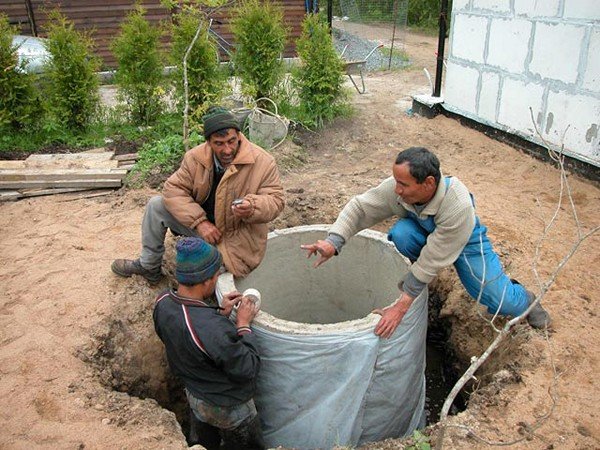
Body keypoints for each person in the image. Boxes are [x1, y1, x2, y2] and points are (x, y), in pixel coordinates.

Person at [301, 147, 551, 338]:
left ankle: (525, 299)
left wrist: (400, 307)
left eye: (404, 184)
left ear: (429, 183)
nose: (396, 190)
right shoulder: (398, 189)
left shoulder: (457, 205)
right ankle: (418, 287)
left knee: (499, 302)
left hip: (465, 240)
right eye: (396, 182)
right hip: (423, 230)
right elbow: (361, 208)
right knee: (402, 234)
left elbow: (432, 258)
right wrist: (334, 242)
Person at [112, 106, 285, 282]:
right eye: (219, 143)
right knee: (156, 205)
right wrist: (200, 223)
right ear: (208, 142)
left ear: (239, 136)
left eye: (232, 141)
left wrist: (253, 207)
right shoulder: (195, 158)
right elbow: (173, 189)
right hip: (203, 230)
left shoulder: (263, 161)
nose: (227, 150)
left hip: (236, 240)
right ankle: (149, 266)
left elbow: (276, 200)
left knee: (204, 277)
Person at [153, 237, 264, 450]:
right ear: (205, 281)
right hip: (229, 406)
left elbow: (188, 338)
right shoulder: (211, 329)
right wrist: (242, 324)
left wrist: (219, 313)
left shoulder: (163, 302)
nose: (216, 280)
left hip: (195, 397)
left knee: (205, 442)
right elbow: (247, 368)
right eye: (215, 276)